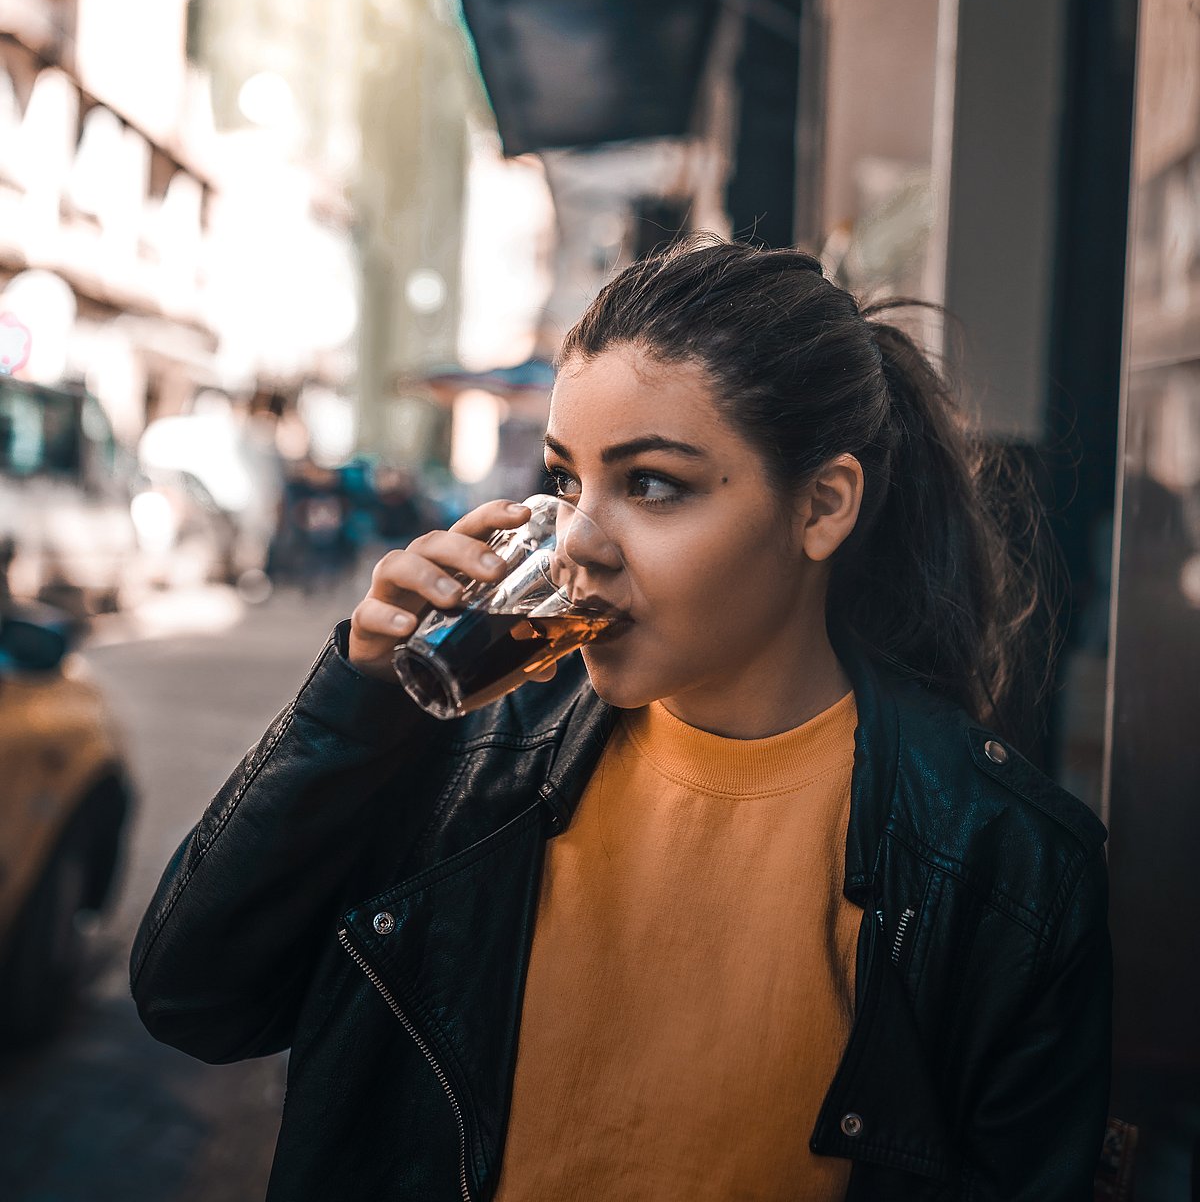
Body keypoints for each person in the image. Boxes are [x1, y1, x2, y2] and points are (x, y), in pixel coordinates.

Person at [130, 241, 1111, 1201]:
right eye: (565, 481)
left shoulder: (1006, 868)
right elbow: (196, 997)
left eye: (650, 485)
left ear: (822, 505)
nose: (579, 547)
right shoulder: (467, 752)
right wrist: (356, 700)